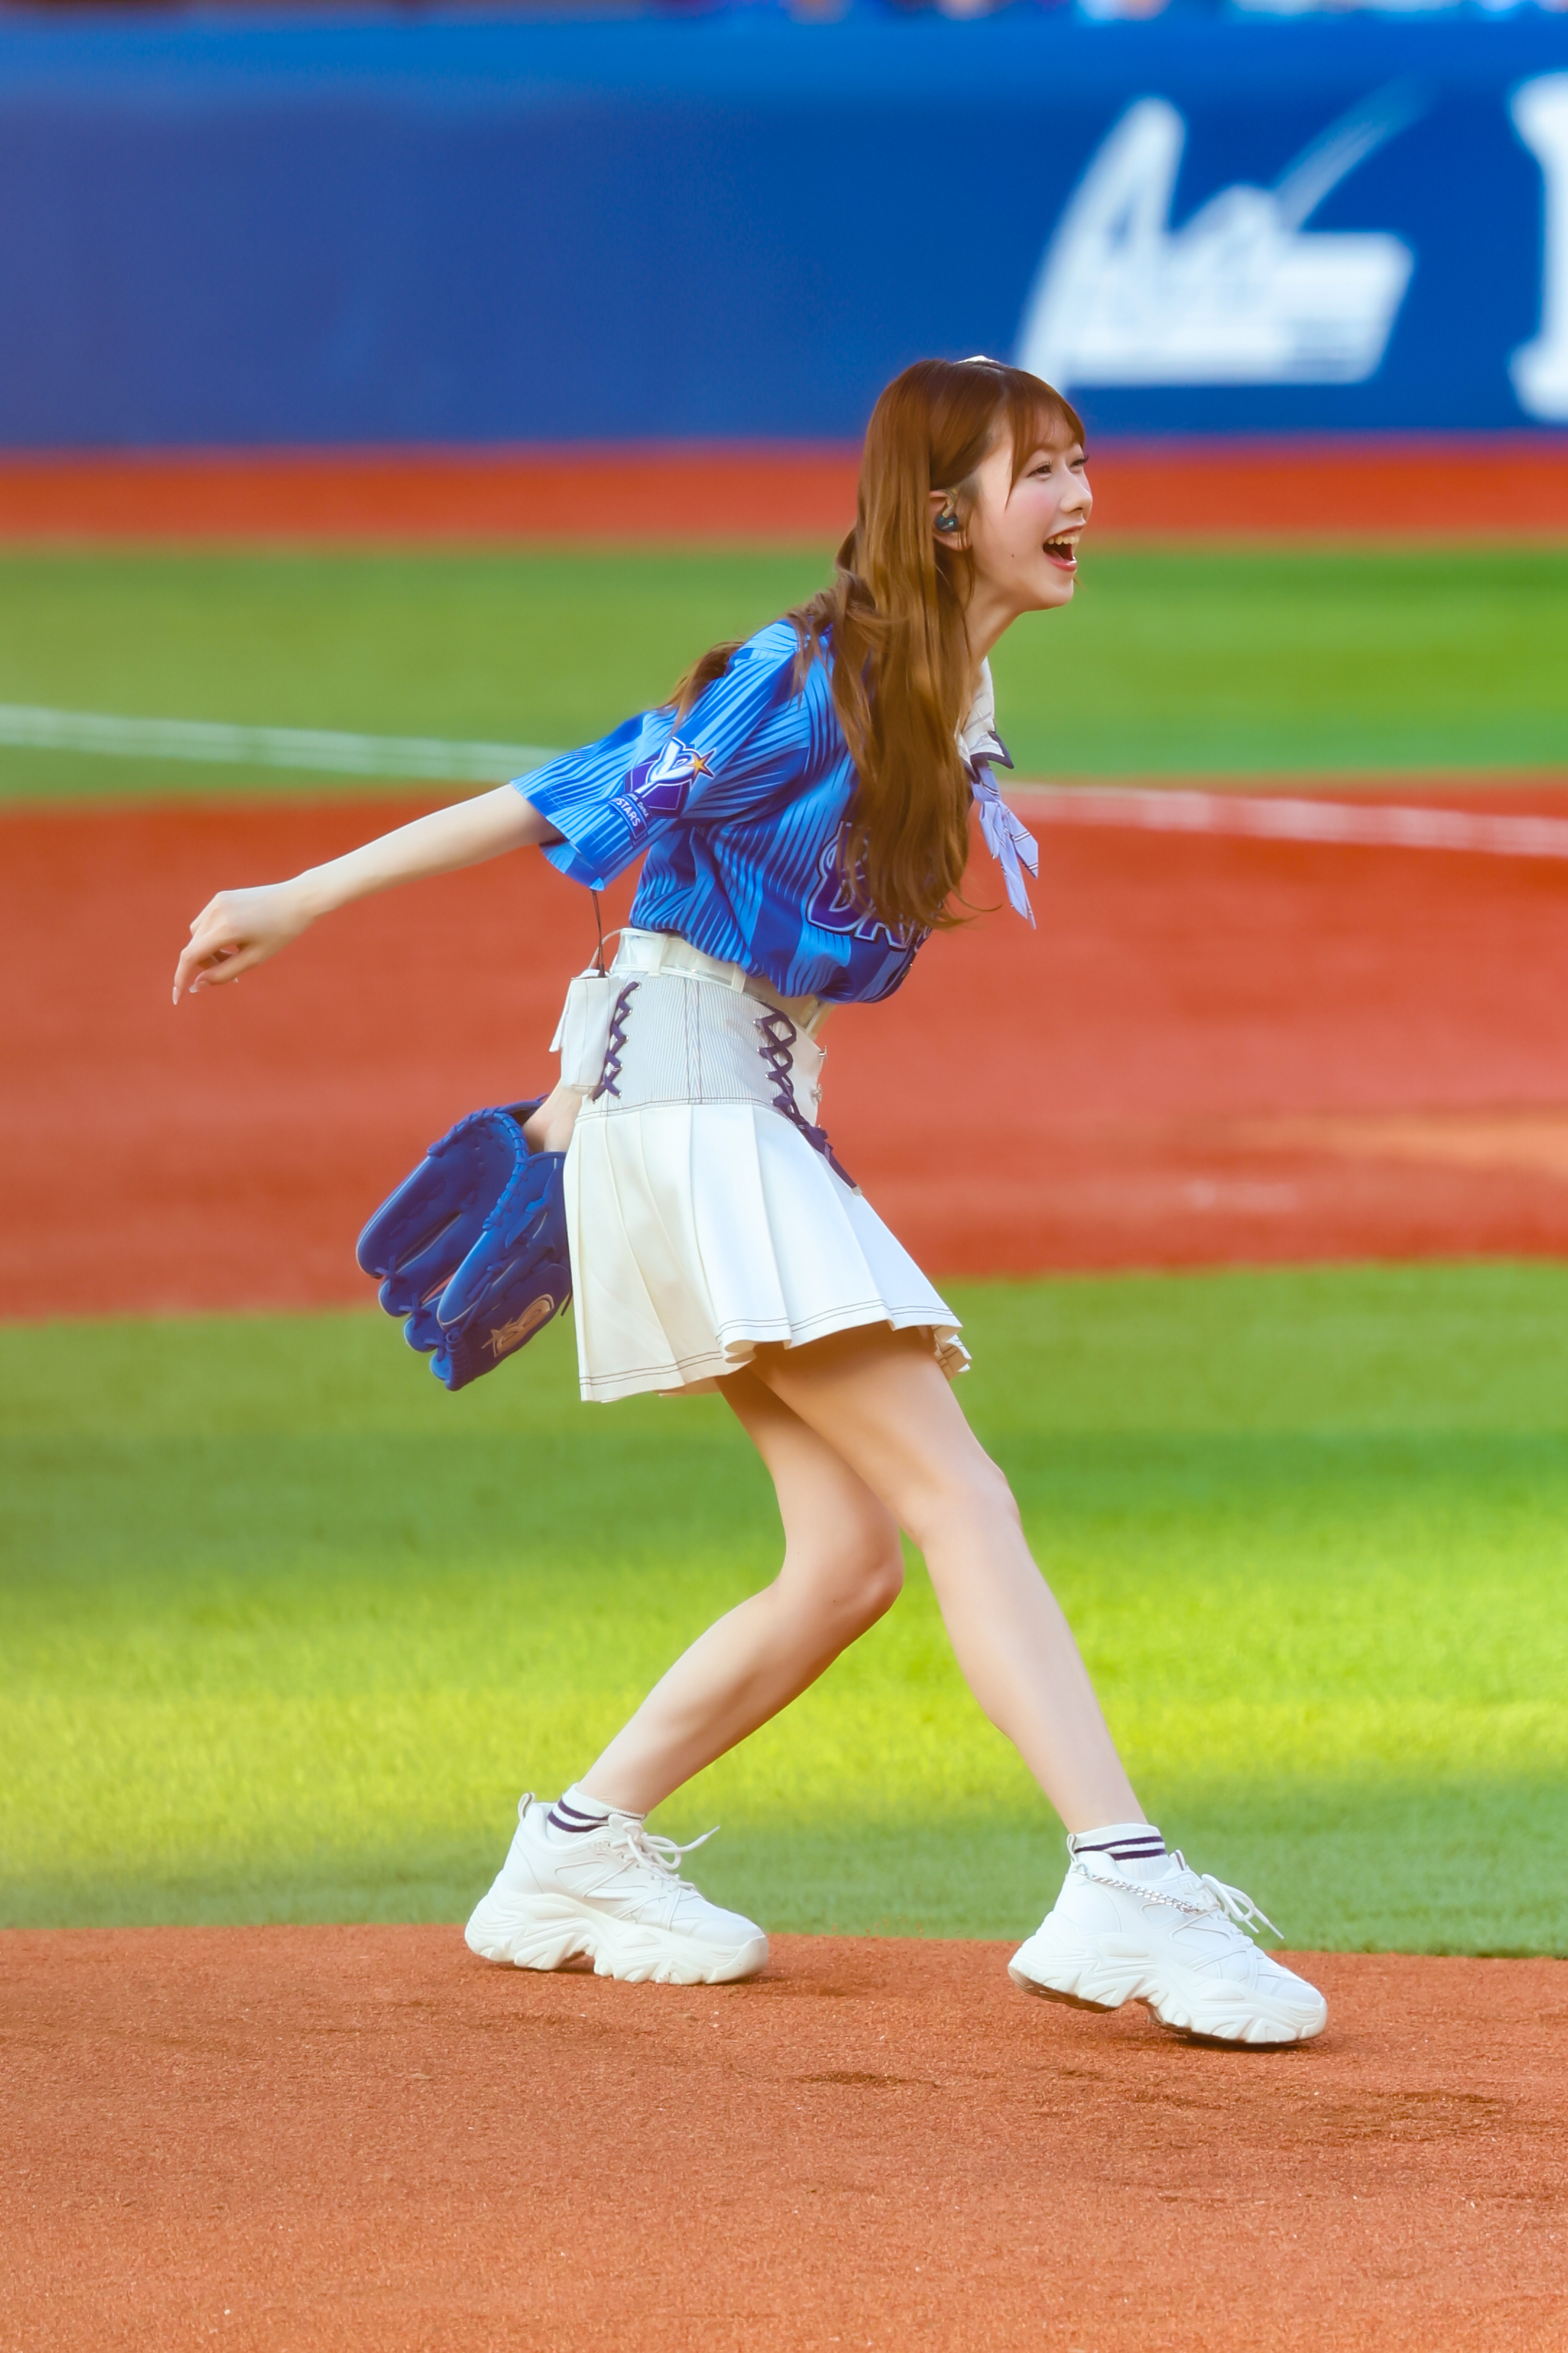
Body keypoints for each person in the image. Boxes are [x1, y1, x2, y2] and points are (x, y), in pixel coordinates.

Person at [173, 357, 1327, 2046]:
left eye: (1083, 463)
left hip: (726, 1112)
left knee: (849, 1553)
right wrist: (305, 892)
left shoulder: (936, 700)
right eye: (1041, 471)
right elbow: (584, 799)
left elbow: (721, 934)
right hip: (694, 1110)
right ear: (944, 513)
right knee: (960, 1494)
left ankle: (571, 1853)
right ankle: (1122, 1879)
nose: (1080, 497)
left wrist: (616, 1109)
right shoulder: (819, 674)